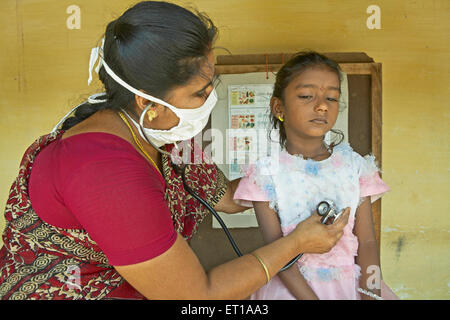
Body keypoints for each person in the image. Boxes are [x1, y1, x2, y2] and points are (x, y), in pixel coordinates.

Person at [0, 2, 349, 300]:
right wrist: (297, 244)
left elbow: (225, 196)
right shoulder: (102, 171)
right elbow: (196, 295)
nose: (209, 102)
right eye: (200, 93)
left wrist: (295, 176)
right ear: (147, 101)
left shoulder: (162, 132)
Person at [233, 52, 398, 300]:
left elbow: (368, 244)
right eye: (306, 96)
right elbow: (276, 250)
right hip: (293, 292)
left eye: (331, 97)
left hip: (352, 288)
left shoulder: (354, 167)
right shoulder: (265, 175)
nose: (322, 105)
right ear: (279, 107)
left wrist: (370, 294)